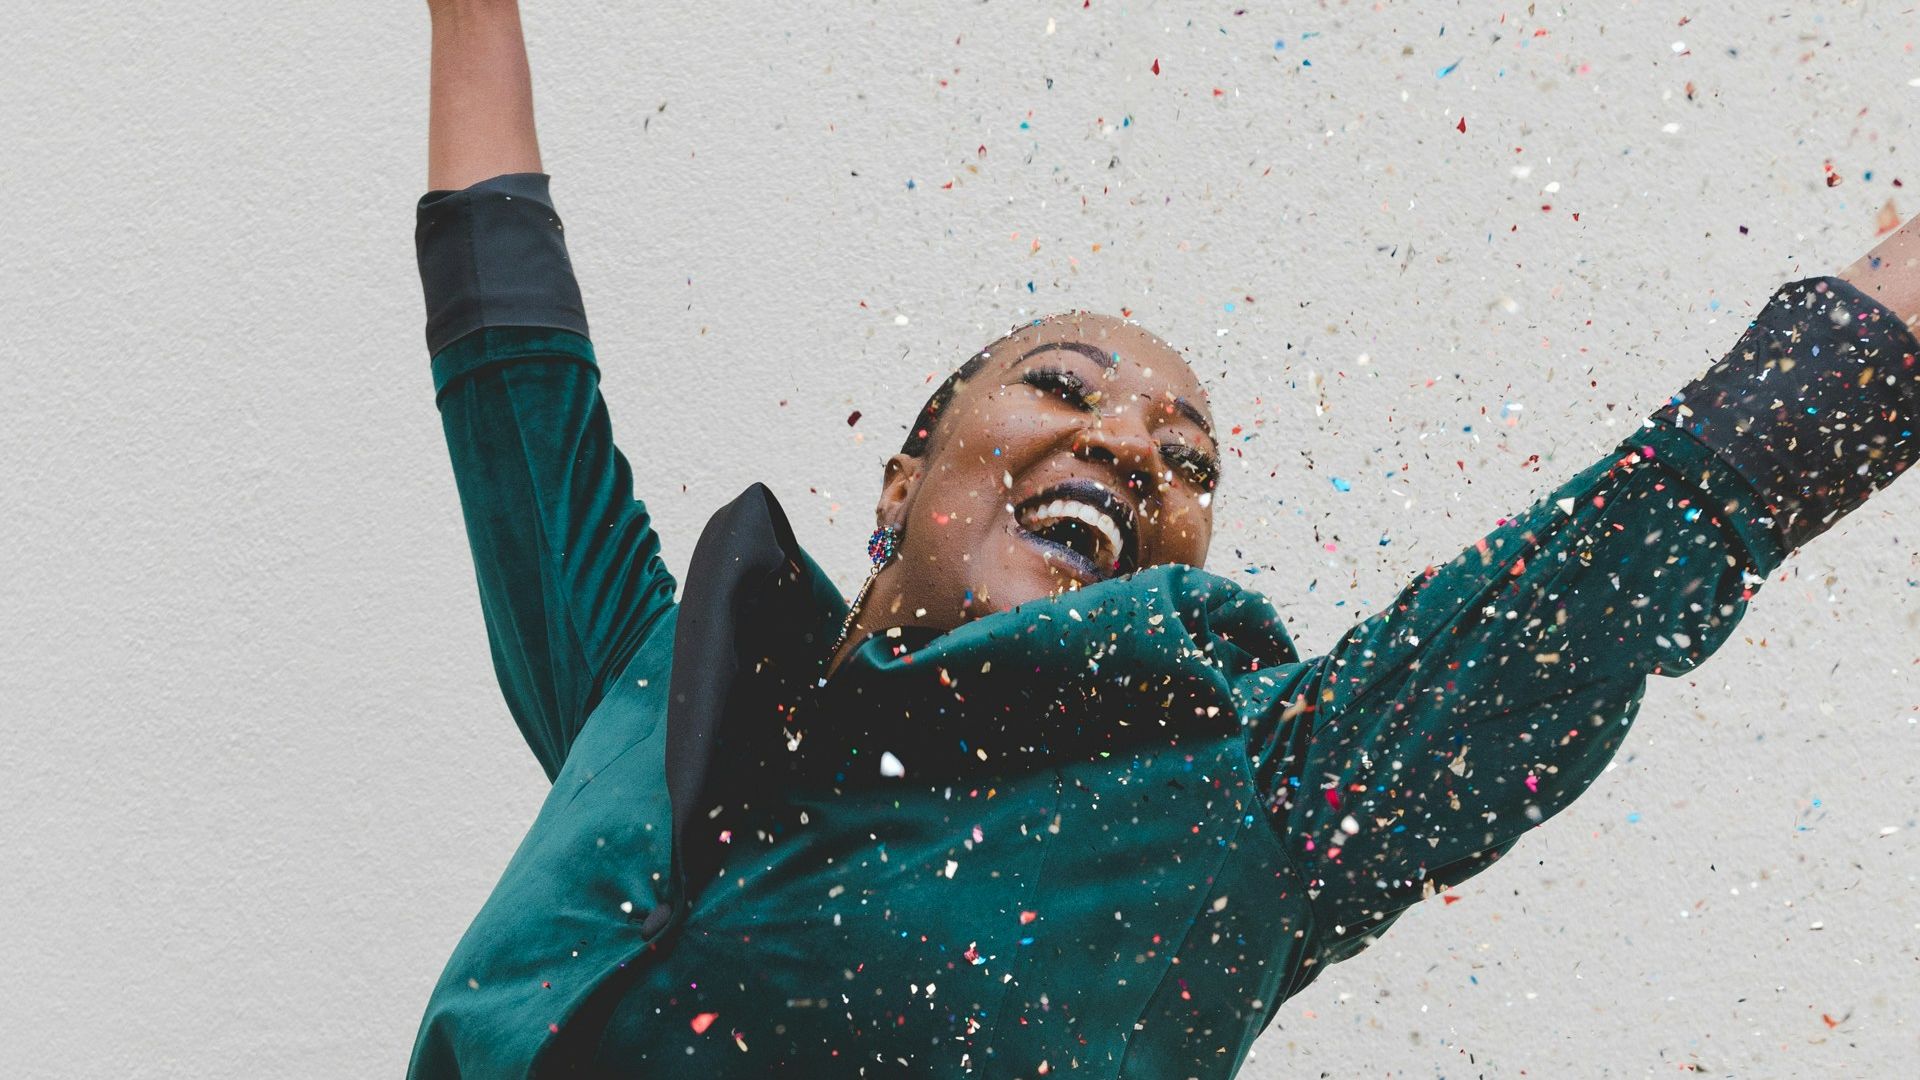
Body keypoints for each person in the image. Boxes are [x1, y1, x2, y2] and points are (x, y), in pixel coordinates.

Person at [408, 3, 1920, 1077]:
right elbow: (514, 363)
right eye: (1062, 388)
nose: (1128, 444)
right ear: (902, 480)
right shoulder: (657, 688)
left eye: (1184, 458)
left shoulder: (1238, 809)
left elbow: (1607, 566)